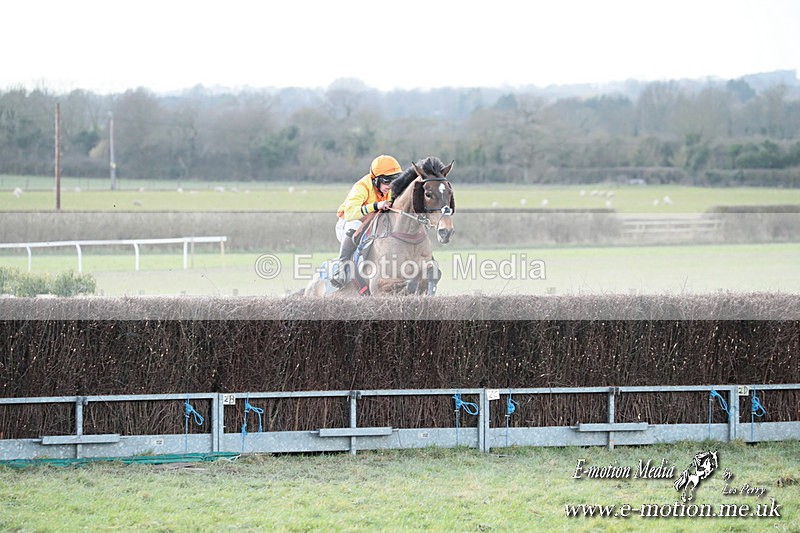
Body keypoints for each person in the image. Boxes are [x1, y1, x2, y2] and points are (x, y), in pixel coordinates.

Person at [330, 154, 403, 288]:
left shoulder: (389, 189)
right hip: (348, 223)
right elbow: (350, 213)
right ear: (376, 180)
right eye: (387, 181)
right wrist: (375, 206)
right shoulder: (361, 187)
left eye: (394, 181)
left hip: (372, 222)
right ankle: (341, 268)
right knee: (355, 225)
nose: (390, 186)